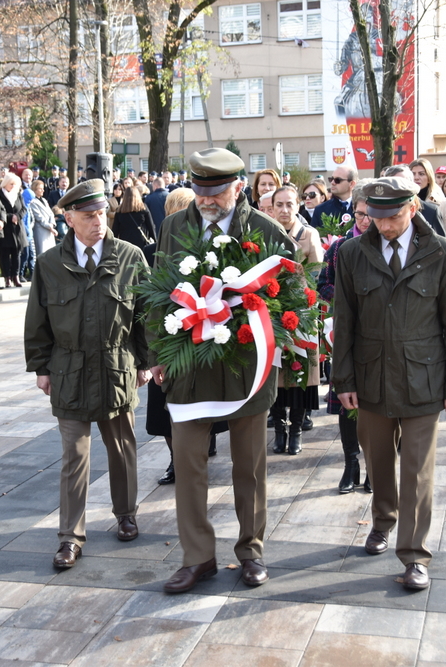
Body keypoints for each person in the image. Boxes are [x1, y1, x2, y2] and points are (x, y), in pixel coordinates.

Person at [151, 148, 298, 594]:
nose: (206, 200)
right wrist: (158, 353)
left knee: (248, 466)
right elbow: (159, 293)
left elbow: (292, 294)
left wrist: (265, 335)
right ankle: (197, 557)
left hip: (245, 367)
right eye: (199, 190)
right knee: (188, 462)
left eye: (215, 192)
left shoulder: (265, 230)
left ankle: (250, 551)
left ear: (238, 187)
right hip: (189, 366)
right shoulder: (174, 226)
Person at [333, 176, 446, 591]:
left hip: (423, 377)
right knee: (377, 462)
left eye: (392, 216)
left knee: (416, 471)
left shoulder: (440, 252)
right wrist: (342, 378)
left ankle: (414, 555)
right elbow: (345, 320)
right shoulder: (352, 252)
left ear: (413, 208)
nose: (383, 225)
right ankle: (382, 521)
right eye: (375, 217)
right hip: (371, 376)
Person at [24, 179, 149, 570]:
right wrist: (41, 366)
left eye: (101, 214)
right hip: (70, 370)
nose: (98, 222)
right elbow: (37, 321)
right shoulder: (49, 264)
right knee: (73, 456)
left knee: (122, 447)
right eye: (88, 216)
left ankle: (126, 514)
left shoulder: (130, 257)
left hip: (116, 368)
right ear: (68, 218)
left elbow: (147, 317)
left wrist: (146, 361)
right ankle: (70, 536)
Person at [317, 183, 373, 494]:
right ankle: (351, 462)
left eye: (369, 215)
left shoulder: (384, 246)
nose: (363, 221)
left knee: (374, 405)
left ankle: (375, 467)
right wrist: (343, 300)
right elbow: (323, 282)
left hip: (378, 336)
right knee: (346, 402)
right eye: (358, 215)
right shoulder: (338, 248)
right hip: (345, 335)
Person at [146, 186, 198, 486]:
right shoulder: (154, 252)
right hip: (166, 340)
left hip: (197, 339)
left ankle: (193, 456)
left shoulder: (205, 251)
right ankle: (176, 461)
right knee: (163, 410)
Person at [268, 185, 323, 456]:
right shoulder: (266, 232)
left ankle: (297, 430)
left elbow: (317, 273)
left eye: (290, 204)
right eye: (279, 204)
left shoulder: (308, 234)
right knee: (275, 372)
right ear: (272, 206)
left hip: (302, 313)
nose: (284, 210)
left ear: (298, 206)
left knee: (300, 370)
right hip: (272, 311)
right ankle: (279, 429)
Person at [409, 158, 446, 243]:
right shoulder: (404, 202)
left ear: (429, 177)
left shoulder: (442, 203)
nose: (416, 178)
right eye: (413, 174)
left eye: (421, 174)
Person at [0, 172, 28, 287]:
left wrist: (18, 216)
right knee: (4, 254)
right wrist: (10, 217)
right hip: (5, 228)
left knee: (16, 254)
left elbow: (24, 208)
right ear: (5, 183)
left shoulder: (18, 194)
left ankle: (16, 276)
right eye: (11, 184)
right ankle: (7, 277)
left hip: (18, 228)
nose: (13, 186)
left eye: (15, 184)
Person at [112, 182, 156, 251]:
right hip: (141, 242)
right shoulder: (143, 208)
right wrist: (155, 240)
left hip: (125, 243)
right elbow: (151, 226)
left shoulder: (120, 210)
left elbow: (115, 230)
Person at [311, 165, 357, 229]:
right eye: (331, 179)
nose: (332, 182)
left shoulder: (363, 208)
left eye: (337, 180)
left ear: (352, 184)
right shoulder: (321, 210)